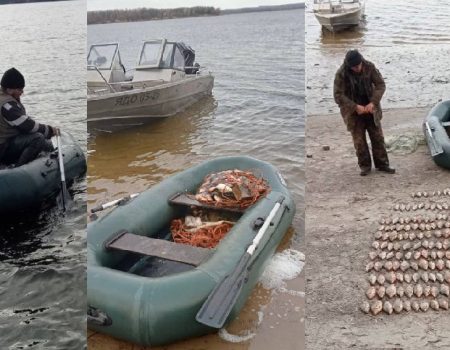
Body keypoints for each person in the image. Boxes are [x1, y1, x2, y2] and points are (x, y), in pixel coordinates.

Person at [333, 50, 395, 176]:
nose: (356, 69)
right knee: (359, 141)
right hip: (353, 112)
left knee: (378, 137)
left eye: (358, 66)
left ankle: (383, 164)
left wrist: (373, 102)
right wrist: (354, 107)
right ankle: (365, 166)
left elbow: (380, 85)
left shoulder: (370, 67)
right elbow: (338, 95)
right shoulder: (341, 73)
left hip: (370, 108)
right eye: (353, 67)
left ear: (361, 62)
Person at [0, 67, 57, 167]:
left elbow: (22, 121)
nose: (22, 92)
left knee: (43, 141)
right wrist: (50, 130)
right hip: (4, 148)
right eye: (19, 89)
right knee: (38, 138)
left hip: (7, 143)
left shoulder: (4, 99)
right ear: (9, 90)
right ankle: (19, 168)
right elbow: (28, 126)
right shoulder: (8, 106)